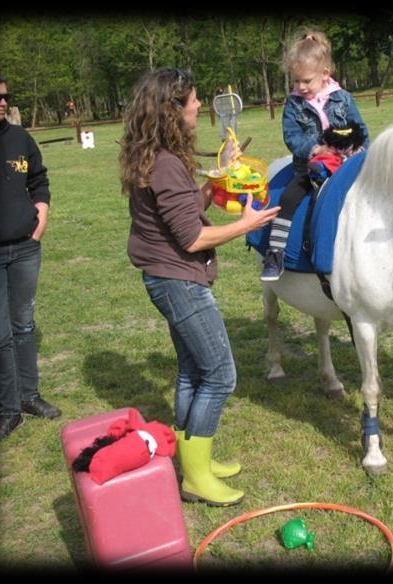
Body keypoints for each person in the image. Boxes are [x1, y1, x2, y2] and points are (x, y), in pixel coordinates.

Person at [119, 68, 280, 506]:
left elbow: (183, 210)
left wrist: (217, 179)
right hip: (178, 282)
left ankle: (196, 465)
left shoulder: (157, 156)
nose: (197, 107)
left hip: (167, 277)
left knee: (193, 370)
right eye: (191, 101)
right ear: (172, 109)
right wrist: (246, 224)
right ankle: (195, 478)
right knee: (221, 375)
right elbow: (192, 237)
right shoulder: (167, 164)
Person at [0, 68, 62, 444]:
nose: (2, 103)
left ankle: (30, 396)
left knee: (24, 324)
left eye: (6, 97)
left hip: (27, 248)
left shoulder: (20, 138)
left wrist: (40, 215)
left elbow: (39, 179)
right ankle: (9, 409)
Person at [259, 30, 370, 282]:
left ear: (325, 74)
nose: (300, 87)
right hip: (308, 168)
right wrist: (314, 149)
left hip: (345, 165)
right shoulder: (294, 103)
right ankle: (276, 254)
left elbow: (360, 129)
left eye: (306, 81)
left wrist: (361, 149)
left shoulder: (343, 98)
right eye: (296, 81)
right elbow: (292, 136)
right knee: (287, 198)